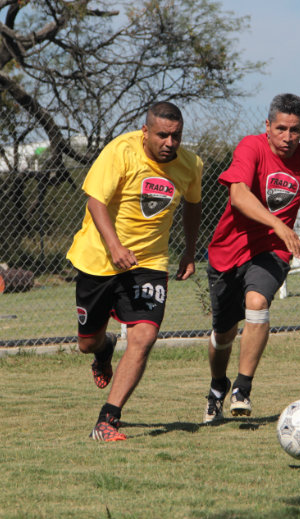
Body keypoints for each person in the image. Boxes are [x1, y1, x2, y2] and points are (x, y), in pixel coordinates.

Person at [66, 101, 202, 441]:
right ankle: (104, 347)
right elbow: (95, 201)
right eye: (162, 135)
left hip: (149, 264)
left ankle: (108, 419)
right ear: (146, 131)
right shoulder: (120, 152)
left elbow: (194, 205)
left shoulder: (190, 165)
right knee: (86, 343)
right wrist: (114, 246)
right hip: (99, 259)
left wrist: (188, 250)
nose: (170, 143)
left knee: (144, 336)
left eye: (176, 136)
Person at [203, 93, 300, 423]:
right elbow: (238, 195)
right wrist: (279, 222)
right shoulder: (251, 147)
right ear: (267, 125)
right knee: (223, 334)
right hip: (229, 250)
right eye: (281, 129)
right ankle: (219, 385)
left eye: (295, 130)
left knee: (258, 302)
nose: (288, 138)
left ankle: (242, 389)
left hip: (273, 249)